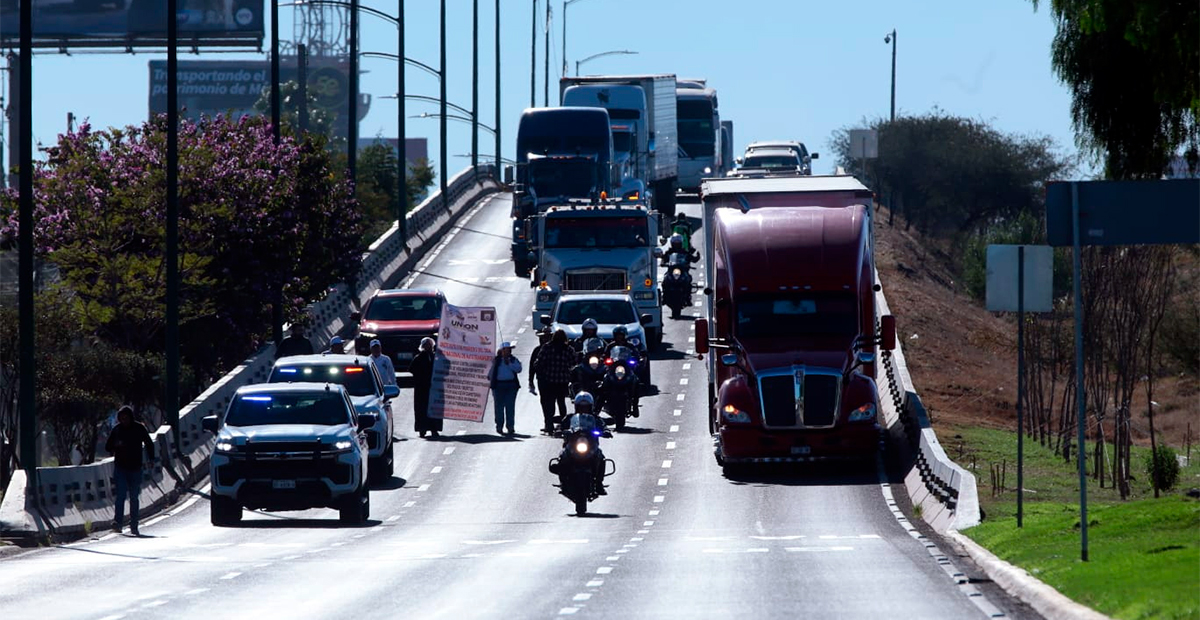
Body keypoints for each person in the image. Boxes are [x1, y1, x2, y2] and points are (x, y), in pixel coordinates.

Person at [104, 406, 156, 536]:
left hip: (135, 468)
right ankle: (118, 523)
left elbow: (149, 443)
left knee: (134, 497)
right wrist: (116, 445)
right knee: (120, 496)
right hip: (120, 468)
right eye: (121, 418)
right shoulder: (117, 430)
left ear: (131, 417)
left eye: (126, 418)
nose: (124, 420)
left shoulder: (139, 428)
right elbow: (107, 446)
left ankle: (134, 525)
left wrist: (151, 459)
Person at [556, 392, 608, 495]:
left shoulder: (595, 419)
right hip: (572, 446)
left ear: (590, 407)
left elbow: (603, 425)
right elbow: (561, 426)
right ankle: (563, 482)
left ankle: (598, 484)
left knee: (601, 458)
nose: (583, 409)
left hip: (591, 446)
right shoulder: (570, 418)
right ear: (576, 406)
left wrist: (605, 431)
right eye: (581, 407)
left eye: (586, 407)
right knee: (562, 457)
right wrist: (559, 430)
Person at [532, 329, 576, 433]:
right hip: (562, 381)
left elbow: (538, 363)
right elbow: (574, 363)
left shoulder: (547, 347)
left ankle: (549, 425)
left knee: (550, 404)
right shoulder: (568, 349)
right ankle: (564, 424)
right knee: (561, 403)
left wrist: (542, 371)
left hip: (549, 381)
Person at [488, 342, 522, 434]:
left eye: (510, 349)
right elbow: (490, 373)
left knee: (510, 407)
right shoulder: (496, 361)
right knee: (499, 407)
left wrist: (509, 364)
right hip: (498, 386)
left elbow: (519, 369)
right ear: (502, 351)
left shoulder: (513, 359)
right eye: (507, 349)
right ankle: (499, 426)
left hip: (511, 385)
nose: (509, 351)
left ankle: (510, 426)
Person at [410, 337, 440, 438]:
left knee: (434, 409)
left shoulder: (437, 357)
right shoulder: (418, 358)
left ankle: (434, 429)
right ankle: (422, 429)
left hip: (434, 389)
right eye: (426, 345)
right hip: (422, 390)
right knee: (421, 409)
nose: (428, 347)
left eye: (430, 345)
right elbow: (413, 370)